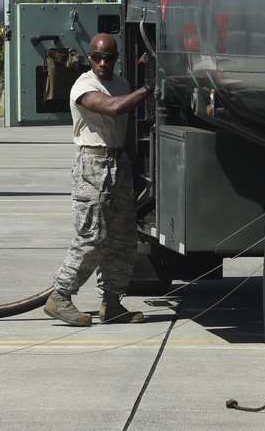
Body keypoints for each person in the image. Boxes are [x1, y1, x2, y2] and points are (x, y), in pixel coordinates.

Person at [44, 33, 153, 326]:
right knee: (93, 236)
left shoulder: (122, 85)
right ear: (89, 57)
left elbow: (125, 125)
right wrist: (148, 88)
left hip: (119, 165)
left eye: (109, 57)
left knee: (122, 240)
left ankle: (112, 303)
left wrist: (135, 164)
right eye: (97, 57)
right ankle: (61, 296)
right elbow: (113, 107)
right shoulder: (84, 85)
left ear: (116, 57)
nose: (103, 62)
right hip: (92, 165)